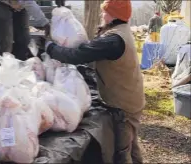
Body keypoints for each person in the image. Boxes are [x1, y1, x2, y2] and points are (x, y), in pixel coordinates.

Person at [45, 0, 145, 163]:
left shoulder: (113, 40)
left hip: (123, 106)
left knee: (122, 150)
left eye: (105, 11)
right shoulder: (120, 31)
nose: (101, 14)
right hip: (131, 98)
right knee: (131, 145)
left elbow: (77, 56)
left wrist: (50, 47)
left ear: (114, 15)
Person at [0, 0, 64, 68]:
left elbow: (29, 2)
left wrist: (44, 23)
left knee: (23, 41)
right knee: (5, 44)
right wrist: (44, 23)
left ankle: (21, 72)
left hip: (20, 3)